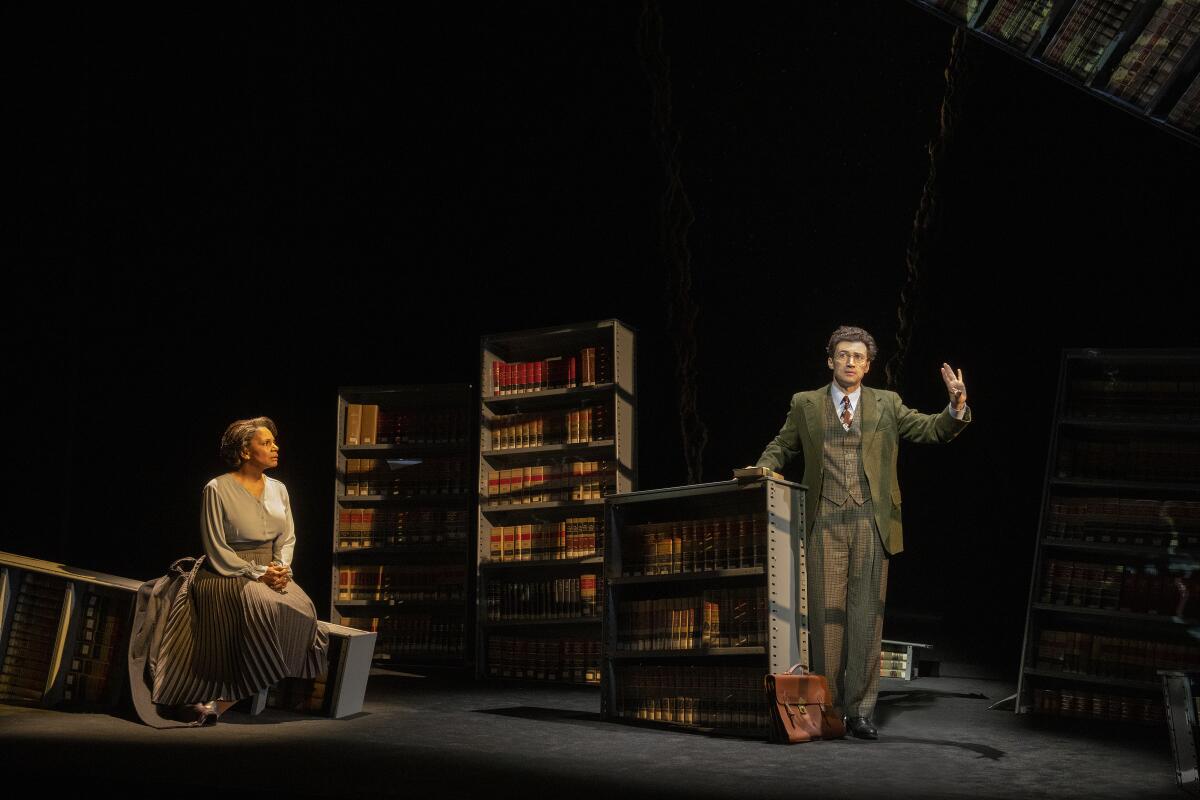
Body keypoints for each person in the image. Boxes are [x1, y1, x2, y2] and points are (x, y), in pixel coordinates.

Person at [751, 326, 970, 740]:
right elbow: (782, 446)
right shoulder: (806, 404)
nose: (850, 362)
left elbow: (930, 429)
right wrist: (763, 470)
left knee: (867, 620)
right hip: (823, 526)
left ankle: (861, 711)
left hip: (872, 523)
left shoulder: (887, 404)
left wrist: (955, 405)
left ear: (868, 366)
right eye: (843, 355)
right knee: (825, 620)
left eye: (858, 357)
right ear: (830, 360)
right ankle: (828, 708)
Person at [128, 416, 329, 727]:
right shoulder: (217, 488)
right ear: (245, 451)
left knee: (304, 609)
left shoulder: (280, 489)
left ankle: (228, 698)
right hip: (224, 572)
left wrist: (282, 567)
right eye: (266, 443)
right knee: (263, 606)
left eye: (273, 442)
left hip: (271, 570)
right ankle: (216, 698)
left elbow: (287, 537)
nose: (275, 448)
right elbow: (216, 548)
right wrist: (256, 572)